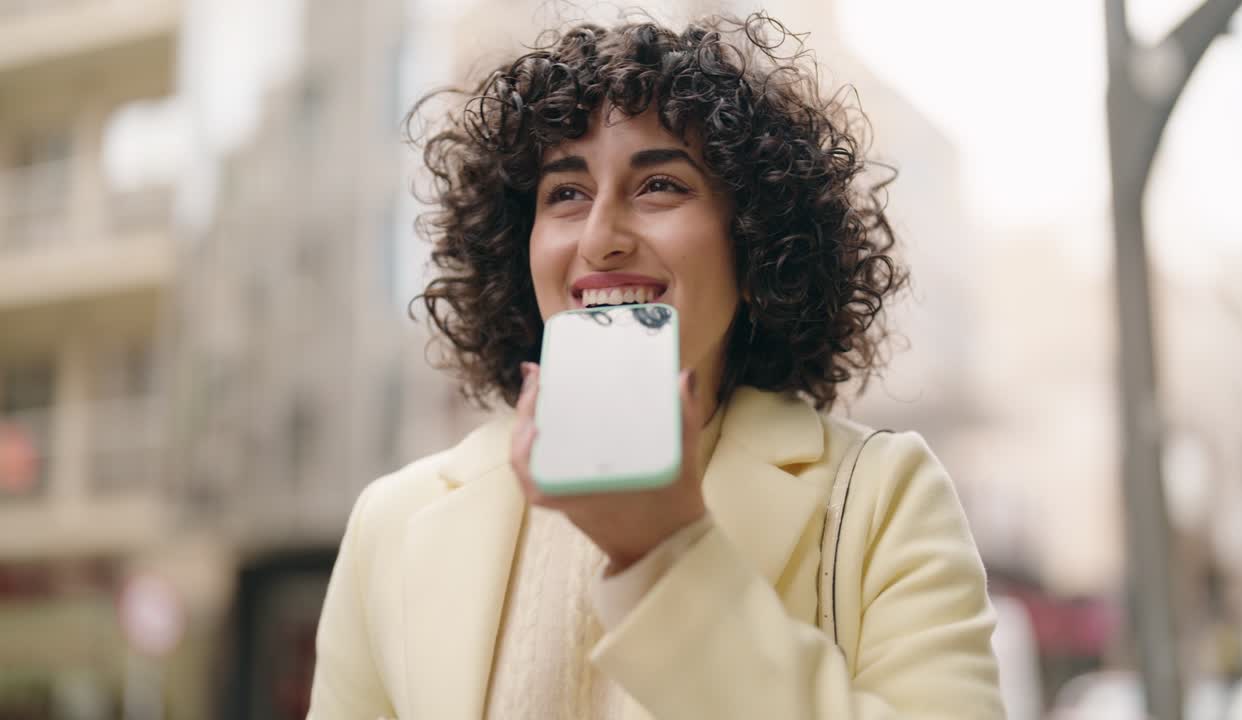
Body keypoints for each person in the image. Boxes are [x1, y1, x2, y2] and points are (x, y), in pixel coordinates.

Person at [308, 12, 1004, 720]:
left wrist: (665, 553)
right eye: (566, 194)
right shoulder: (393, 523)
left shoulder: (886, 499)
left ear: (755, 243)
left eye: (660, 186)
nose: (602, 238)